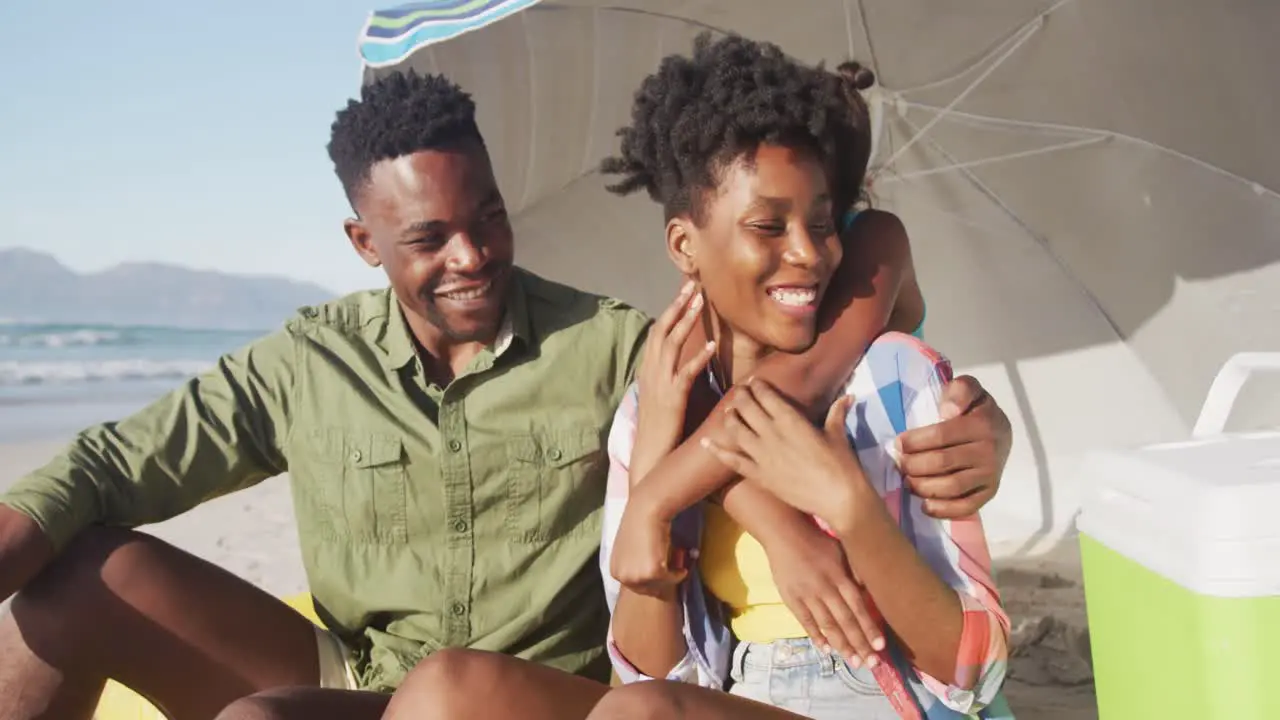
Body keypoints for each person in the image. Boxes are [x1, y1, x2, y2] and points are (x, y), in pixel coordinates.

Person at [0, 68, 1008, 720]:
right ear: (363, 244)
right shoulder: (308, 360)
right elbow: (109, 464)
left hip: (543, 694)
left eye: (486, 218)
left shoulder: (601, 340)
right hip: (361, 677)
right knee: (91, 587)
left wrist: (974, 432)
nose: (471, 256)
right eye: (428, 239)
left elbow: (723, 393)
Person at [373, 33, 1008, 720]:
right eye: (768, 225)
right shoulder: (657, 407)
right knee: (445, 692)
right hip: (737, 695)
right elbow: (647, 670)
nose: (807, 252)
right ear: (683, 245)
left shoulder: (892, 381)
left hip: (892, 701)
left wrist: (847, 512)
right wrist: (660, 484)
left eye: (823, 223)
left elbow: (977, 671)